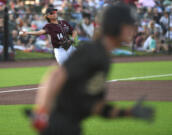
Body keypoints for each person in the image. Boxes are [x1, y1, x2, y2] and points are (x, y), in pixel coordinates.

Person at [26, 4, 155, 135]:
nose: (134, 29)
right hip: (57, 127)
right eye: (129, 25)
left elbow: (95, 106)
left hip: (72, 127)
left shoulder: (103, 57)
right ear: (116, 26)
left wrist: (128, 113)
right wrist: (41, 114)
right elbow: (55, 75)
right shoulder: (93, 51)